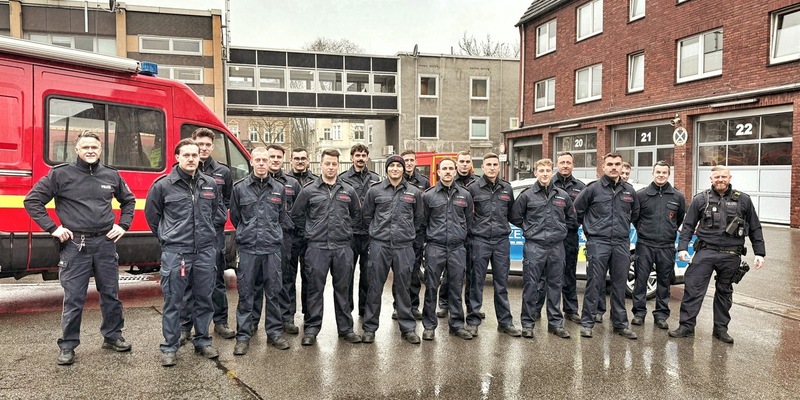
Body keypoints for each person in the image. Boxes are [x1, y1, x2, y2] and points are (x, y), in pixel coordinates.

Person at [24, 131, 135, 366]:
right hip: (76, 245)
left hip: (105, 243)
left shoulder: (111, 175)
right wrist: (53, 228)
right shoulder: (60, 174)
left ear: (101, 149)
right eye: (85, 147)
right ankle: (68, 345)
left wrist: (123, 225)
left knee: (111, 294)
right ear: (76, 150)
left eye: (94, 147)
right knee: (74, 298)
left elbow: (129, 201)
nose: (90, 151)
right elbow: (32, 200)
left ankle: (113, 336)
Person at [145, 138, 227, 366]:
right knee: (174, 301)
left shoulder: (210, 184)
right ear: (177, 157)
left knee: (204, 299)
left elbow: (215, 212)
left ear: (200, 157)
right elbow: (152, 216)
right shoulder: (163, 185)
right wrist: (168, 237)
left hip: (205, 252)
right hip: (177, 253)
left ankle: (203, 341)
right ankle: (170, 347)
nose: (191, 159)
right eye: (186, 155)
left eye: (195, 155)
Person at [669, 165, 765, 344]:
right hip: (705, 252)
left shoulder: (743, 200)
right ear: (711, 179)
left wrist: (759, 252)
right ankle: (686, 327)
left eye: (723, 176)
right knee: (693, 290)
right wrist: (682, 248)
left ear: (729, 178)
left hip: (731, 255)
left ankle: (720, 329)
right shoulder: (701, 199)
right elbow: (688, 226)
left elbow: (755, 227)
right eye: (717, 177)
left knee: (724, 292)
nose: (720, 180)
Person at [292, 149, 363, 346]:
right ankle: (312, 329)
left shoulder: (348, 190)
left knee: (343, 289)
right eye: (327, 164)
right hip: (317, 248)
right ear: (320, 165)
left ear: (338, 166)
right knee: (314, 289)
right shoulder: (308, 190)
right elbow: (297, 215)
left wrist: (344, 229)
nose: (331, 167)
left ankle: (346, 329)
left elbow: (357, 215)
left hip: (342, 247)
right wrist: (311, 231)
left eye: (334, 164)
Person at [229, 147, 289, 355]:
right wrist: (248, 232)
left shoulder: (279, 188)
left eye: (265, 160)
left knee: (273, 292)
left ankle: (274, 333)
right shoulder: (239, 188)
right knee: (246, 293)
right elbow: (235, 217)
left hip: (271, 248)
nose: (262, 163)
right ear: (251, 162)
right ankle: (243, 336)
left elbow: (281, 217)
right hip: (248, 249)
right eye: (258, 160)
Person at [573, 153, 639, 340]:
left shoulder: (629, 191)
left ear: (621, 167)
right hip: (598, 242)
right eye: (610, 164)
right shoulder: (592, 189)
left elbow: (635, 214)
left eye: (617, 164)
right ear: (603, 167)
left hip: (621, 243)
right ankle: (587, 323)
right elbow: (576, 211)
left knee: (619, 285)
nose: (614, 167)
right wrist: (590, 230)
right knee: (594, 284)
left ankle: (620, 324)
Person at [361, 155, 425, 344]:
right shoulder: (375, 191)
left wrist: (406, 232)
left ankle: (408, 328)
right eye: (392, 166)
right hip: (380, 245)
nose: (395, 168)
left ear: (403, 169)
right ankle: (370, 328)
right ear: (387, 169)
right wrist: (378, 232)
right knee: (374, 287)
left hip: (404, 246)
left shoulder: (414, 192)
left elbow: (418, 218)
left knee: (404, 287)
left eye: (399, 166)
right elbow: (367, 216)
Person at [179, 128, 235, 343]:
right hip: (189, 235)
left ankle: (220, 322)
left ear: (212, 147)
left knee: (217, 280)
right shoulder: (182, 169)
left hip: (214, 235)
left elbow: (227, 200)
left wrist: (217, 217)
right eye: (199, 144)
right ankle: (185, 326)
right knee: (187, 282)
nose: (203, 148)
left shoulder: (223, 172)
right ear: (193, 143)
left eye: (207, 145)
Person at [510, 158, 575, 339]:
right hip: (534, 246)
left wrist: (559, 230)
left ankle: (555, 324)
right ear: (536, 173)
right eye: (541, 171)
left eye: (548, 170)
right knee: (531, 286)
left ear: (552, 172)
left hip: (556, 247)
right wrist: (530, 229)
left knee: (555, 285)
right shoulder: (527, 195)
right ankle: (527, 324)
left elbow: (571, 218)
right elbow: (515, 217)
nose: (545, 174)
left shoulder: (562, 195)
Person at [465, 153, 520, 337]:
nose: (491, 167)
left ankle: (505, 322)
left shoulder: (507, 188)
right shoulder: (473, 188)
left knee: (501, 284)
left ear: (499, 166)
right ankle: (473, 321)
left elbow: (512, 214)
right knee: (476, 282)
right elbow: (467, 215)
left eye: (495, 164)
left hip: (501, 241)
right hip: (479, 241)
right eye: (488, 164)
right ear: (482, 167)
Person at [421, 158, 474, 341]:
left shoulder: (465, 195)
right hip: (435, 247)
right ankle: (429, 326)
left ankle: (457, 325)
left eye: (451, 168)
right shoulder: (428, 196)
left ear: (455, 171)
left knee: (456, 287)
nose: (448, 171)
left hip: (457, 248)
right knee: (431, 287)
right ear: (438, 172)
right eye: (444, 168)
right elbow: (423, 222)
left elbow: (468, 221)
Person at [253, 144, 301, 335]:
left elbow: (299, 212)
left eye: (278, 157)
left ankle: (286, 317)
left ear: (283, 159)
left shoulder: (292, 184)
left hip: (284, 238)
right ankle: (253, 321)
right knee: (257, 281)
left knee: (285, 279)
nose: (274, 160)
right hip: (259, 238)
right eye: (271, 156)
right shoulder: (253, 182)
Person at [631, 161, 686, 330]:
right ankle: (639, 314)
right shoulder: (641, 195)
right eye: (658, 172)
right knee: (641, 280)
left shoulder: (678, 196)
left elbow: (679, 218)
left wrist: (668, 232)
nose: (661, 175)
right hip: (645, 244)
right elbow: (635, 218)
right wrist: (644, 231)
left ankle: (661, 315)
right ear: (653, 173)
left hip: (666, 246)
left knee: (664, 282)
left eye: (664, 172)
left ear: (668, 174)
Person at [540, 152, 586, 325]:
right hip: (549, 237)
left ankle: (571, 310)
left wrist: (573, 225)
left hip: (570, 237)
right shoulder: (548, 183)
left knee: (569, 273)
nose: (565, 165)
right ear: (556, 165)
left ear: (573, 165)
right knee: (543, 276)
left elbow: (584, 212)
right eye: (562, 162)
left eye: (568, 162)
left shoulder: (581, 187)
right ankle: (536, 309)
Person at [339, 144, 381, 317]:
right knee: (346, 274)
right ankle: (347, 310)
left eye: (364, 155)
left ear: (367, 158)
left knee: (368, 275)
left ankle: (364, 310)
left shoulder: (375, 178)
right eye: (357, 155)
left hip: (369, 234)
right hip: (350, 234)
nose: (361, 158)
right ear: (352, 158)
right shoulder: (342, 178)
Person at [437, 150, 477, 318]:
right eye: (462, 161)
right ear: (457, 164)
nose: (465, 164)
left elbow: (469, 215)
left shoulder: (477, 183)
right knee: (449, 274)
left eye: (468, 161)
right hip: (448, 237)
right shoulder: (448, 180)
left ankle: (470, 307)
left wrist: (466, 231)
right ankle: (444, 303)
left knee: (469, 274)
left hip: (468, 235)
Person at [393, 149, 430, 321]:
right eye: (405, 160)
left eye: (411, 160)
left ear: (416, 162)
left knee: (414, 273)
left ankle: (413, 306)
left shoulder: (424, 182)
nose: (408, 163)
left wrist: (417, 231)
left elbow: (424, 210)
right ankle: (397, 307)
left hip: (416, 234)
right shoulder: (396, 180)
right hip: (398, 236)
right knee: (399, 273)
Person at [285, 147, 318, 320]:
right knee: (288, 277)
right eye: (296, 158)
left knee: (310, 277)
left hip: (310, 237)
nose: (300, 161)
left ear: (308, 160)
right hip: (290, 236)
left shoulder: (317, 182)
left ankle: (309, 314)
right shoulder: (284, 181)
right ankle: (289, 315)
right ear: (291, 160)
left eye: (303, 158)